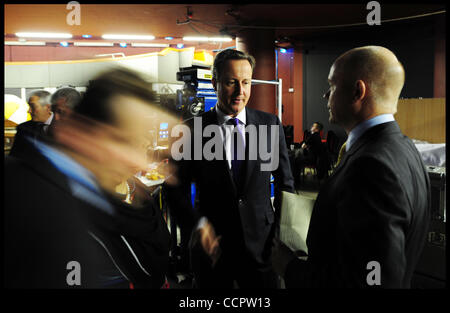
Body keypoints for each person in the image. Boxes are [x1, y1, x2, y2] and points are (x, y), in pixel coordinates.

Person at [272, 46, 431, 288]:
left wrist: (287, 265)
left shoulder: (371, 167)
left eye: (332, 86)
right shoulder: (405, 150)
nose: (325, 95)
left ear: (358, 91)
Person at [4, 67, 174, 288]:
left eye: (141, 143)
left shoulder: (101, 193)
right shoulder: (21, 198)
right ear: (80, 131)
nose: (138, 162)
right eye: (122, 141)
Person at [166, 49, 295, 288]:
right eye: (231, 82)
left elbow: (286, 185)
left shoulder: (269, 125)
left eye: (246, 82)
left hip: (263, 248)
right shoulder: (191, 130)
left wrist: (279, 236)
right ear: (215, 82)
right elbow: (174, 189)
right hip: (213, 250)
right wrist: (196, 228)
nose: (240, 92)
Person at [9, 90, 53, 158]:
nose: (29, 111)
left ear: (48, 107)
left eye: (32, 106)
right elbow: (14, 156)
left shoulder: (68, 127)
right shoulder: (23, 128)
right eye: (29, 106)